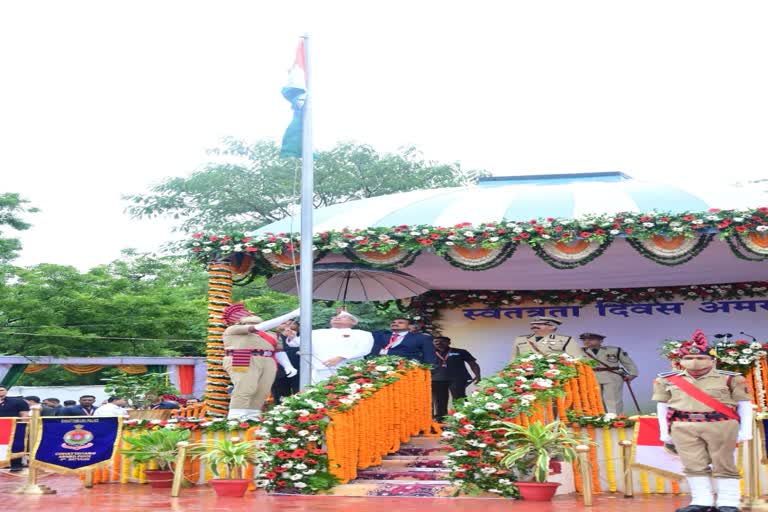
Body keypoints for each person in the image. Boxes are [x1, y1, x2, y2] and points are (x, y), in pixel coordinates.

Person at [653, 331, 751, 512]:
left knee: (724, 464)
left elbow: (744, 405)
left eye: (700, 357)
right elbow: (662, 406)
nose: (694, 361)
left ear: (712, 360)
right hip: (682, 426)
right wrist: (663, 432)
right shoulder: (666, 380)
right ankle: (701, 501)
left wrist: (746, 431)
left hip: (720, 424)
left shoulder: (730, 378)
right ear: (681, 360)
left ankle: (728, 502)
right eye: (689, 357)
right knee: (692, 464)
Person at [222, 303, 300, 420]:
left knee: (262, 390)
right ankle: (236, 418)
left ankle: (252, 417)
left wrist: (288, 366)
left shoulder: (272, 334)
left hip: (268, 360)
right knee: (245, 388)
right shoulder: (234, 329)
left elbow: (279, 351)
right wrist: (291, 315)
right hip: (242, 358)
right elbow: (258, 328)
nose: (252, 318)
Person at [286, 311, 374, 384]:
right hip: (320, 371)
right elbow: (297, 343)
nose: (337, 318)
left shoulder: (363, 334)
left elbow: (364, 349)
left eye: (343, 317)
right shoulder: (317, 332)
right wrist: (292, 337)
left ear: (353, 322)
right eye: (335, 316)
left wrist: (341, 357)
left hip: (349, 370)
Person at [579, 333, 638, 414]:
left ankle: (615, 420)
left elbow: (628, 363)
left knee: (613, 400)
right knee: (594, 400)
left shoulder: (614, 350)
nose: (587, 341)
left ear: (601, 340)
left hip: (612, 376)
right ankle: (598, 419)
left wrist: (632, 374)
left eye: (591, 339)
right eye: (584, 340)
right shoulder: (580, 351)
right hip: (591, 377)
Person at [431, 336, 481, 421]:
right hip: (436, 379)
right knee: (439, 401)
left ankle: (463, 419)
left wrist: (478, 376)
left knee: (459, 398)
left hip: (458, 379)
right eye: (436, 341)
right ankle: (440, 420)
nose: (439, 343)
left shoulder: (460, 352)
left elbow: (473, 364)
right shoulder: (429, 353)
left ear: (448, 343)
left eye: (442, 341)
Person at [370, 317, 436, 365]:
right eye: (393, 322)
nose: (395, 324)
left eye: (400, 323)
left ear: (409, 326)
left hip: (409, 370)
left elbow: (429, 357)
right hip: (378, 369)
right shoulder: (380, 335)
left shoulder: (421, 338)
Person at [511, 317, 582, 359]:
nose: (535, 325)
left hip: (555, 375)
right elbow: (514, 359)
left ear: (552, 327)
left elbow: (576, 358)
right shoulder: (520, 339)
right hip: (526, 375)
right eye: (533, 324)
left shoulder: (566, 340)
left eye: (540, 324)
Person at [0, 385, 30, 472]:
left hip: (13, 428)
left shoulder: (18, 402)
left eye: (2, 390)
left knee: (16, 446)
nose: (0, 392)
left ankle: (16, 465)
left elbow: (24, 415)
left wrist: (22, 426)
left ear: (6, 391)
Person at [272, 319, 301, 404]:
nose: (287, 325)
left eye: (291, 323)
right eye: (284, 323)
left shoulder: (304, 337)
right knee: (281, 397)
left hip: (300, 371)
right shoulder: (273, 337)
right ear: (277, 327)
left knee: (300, 394)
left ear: (298, 326)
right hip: (279, 371)